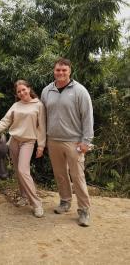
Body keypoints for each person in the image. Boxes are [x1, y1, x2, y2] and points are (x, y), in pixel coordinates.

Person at [41, 58, 94, 227]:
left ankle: (84, 210)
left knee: (78, 176)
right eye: (58, 70)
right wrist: (43, 140)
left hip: (74, 142)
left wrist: (86, 141)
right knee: (60, 174)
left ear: (70, 71)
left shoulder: (80, 91)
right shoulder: (47, 91)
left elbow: (87, 117)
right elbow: (42, 117)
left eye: (64, 70)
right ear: (54, 71)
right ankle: (65, 201)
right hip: (53, 141)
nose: (61, 73)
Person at [0, 80, 46, 218]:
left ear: (29, 89)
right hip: (14, 141)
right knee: (18, 171)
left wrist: (41, 145)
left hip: (28, 142)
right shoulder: (16, 105)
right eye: (19, 91)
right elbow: (4, 123)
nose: (22, 93)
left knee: (23, 170)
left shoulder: (39, 105)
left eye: (24, 90)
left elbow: (42, 127)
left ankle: (37, 204)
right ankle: (24, 196)